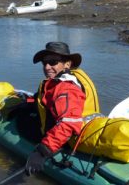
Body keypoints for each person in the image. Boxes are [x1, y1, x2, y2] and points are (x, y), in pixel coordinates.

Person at [24, 41, 98, 176]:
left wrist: (41, 152)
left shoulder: (66, 88)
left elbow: (68, 124)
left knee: (21, 121)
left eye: (53, 62)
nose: (47, 67)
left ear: (67, 64)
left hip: (68, 140)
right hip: (83, 129)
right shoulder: (73, 76)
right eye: (44, 62)